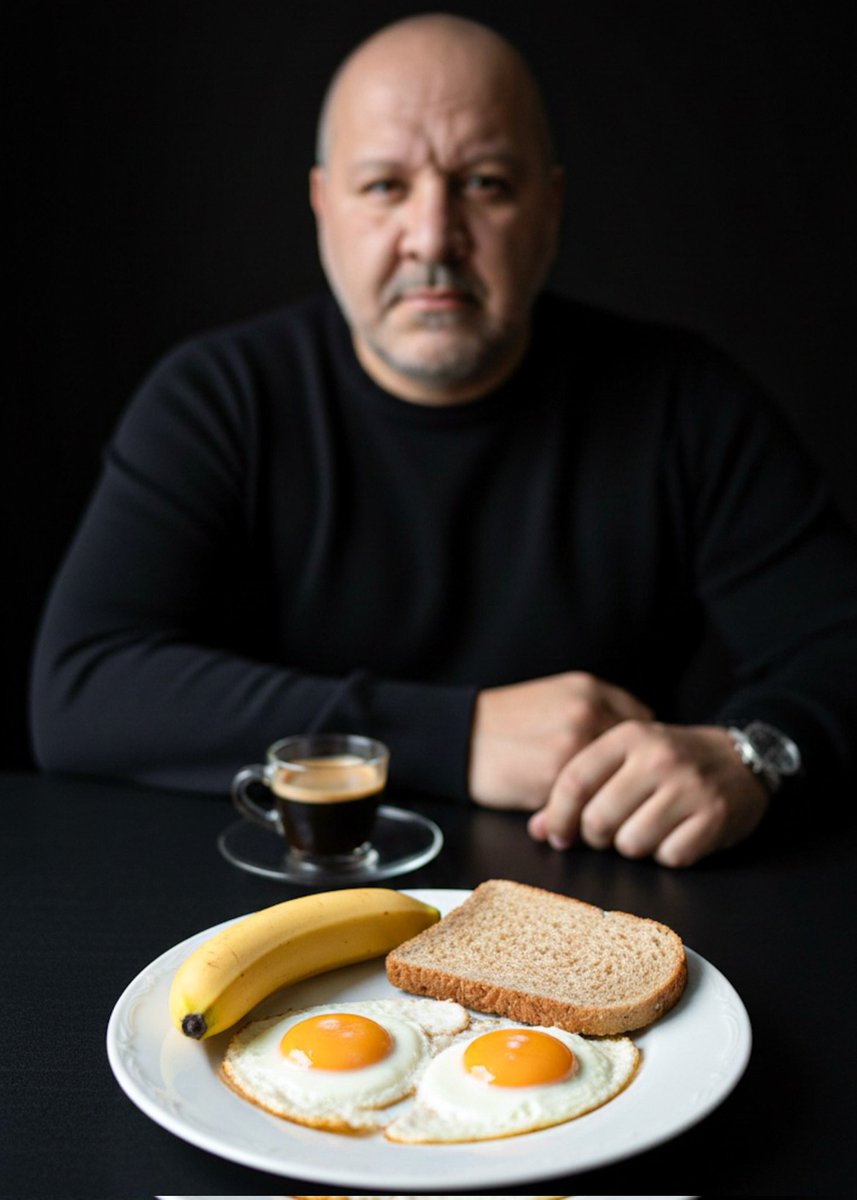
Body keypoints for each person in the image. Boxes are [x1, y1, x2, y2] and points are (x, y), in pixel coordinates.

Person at [30, 13, 857, 867]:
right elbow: (82, 690)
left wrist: (756, 756)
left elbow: (840, 650)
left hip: (600, 912)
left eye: (486, 183)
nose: (432, 236)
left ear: (550, 205)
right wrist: (458, 736)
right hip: (276, 913)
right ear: (323, 206)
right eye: (385, 186)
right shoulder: (217, 398)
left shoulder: (685, 403)